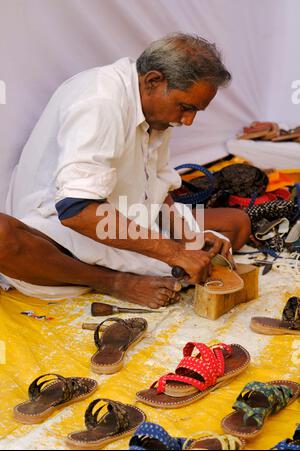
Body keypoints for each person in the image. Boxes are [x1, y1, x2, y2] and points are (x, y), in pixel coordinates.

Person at [1, 33, 251, 307]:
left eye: (195, 111)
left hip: (126, 219)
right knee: (3, 237)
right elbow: (75, 211)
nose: (188, 120)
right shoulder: (100, 102)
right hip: (60, 229)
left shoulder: (158, 112)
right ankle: (113, 281)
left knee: (236, 225)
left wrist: (188, 238)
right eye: (185, 107)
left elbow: (156, 187)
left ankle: (150, 267)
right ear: (154, 80)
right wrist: (174, 253)